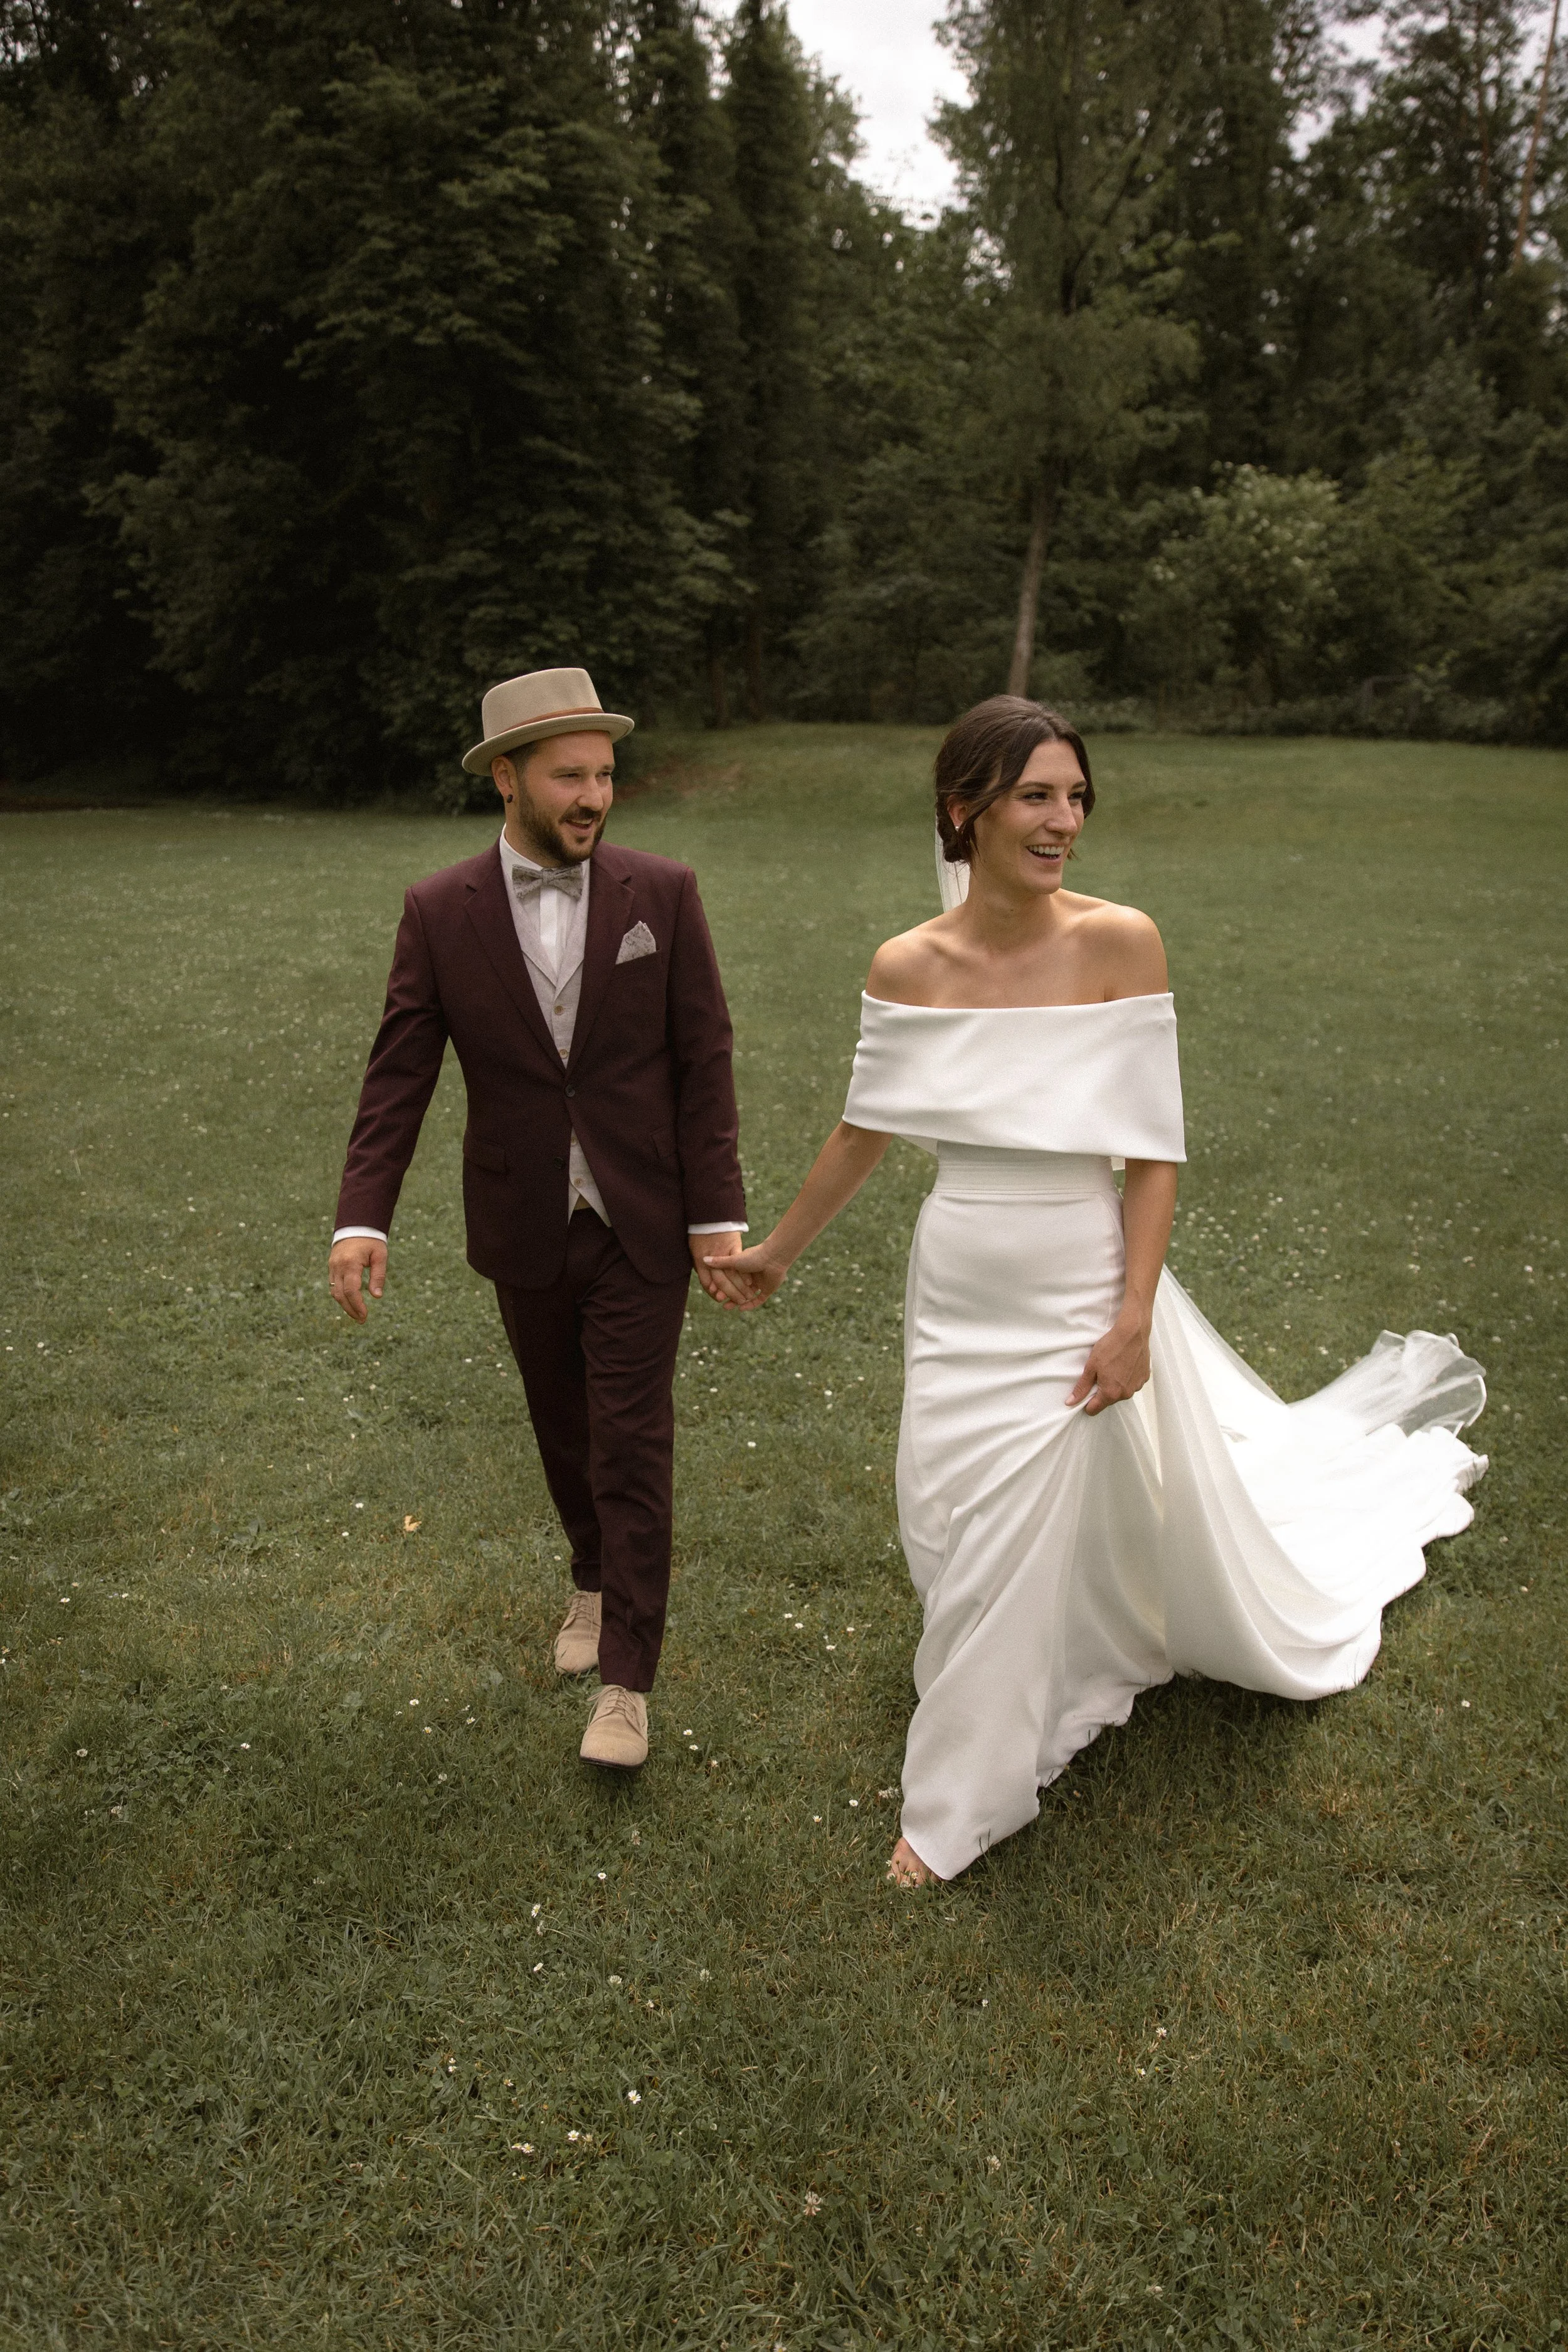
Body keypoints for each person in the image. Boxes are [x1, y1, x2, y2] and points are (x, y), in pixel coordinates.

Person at [706, 696, 1486, 1885]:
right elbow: (865, 1129)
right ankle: (1055, 1650)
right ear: (964, 809)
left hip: (1077, 1275)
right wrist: (780, 1250)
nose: (1064, 819)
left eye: (1076, 796)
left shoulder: (1123, 941)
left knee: (1024, 1509)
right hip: (958, 1281)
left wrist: (1133, 1317)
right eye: (1037, 796)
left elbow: (1153, 1150)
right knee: (951, 1516)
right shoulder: (906, 964)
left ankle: (960, 1806)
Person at [329, 667, 748, 1770]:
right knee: (562, 1422)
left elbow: (705, 1059)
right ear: (507, 778)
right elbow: (400, 1073)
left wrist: (717, 1214)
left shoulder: (664, 893)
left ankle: (627, 1680)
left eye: (606, 774)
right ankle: (591, 1574)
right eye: (570, 774)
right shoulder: (438, 909)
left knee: (633, 1431)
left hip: (644, 1215)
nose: (594, 795)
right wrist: (361, 1216)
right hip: (523, 1216)